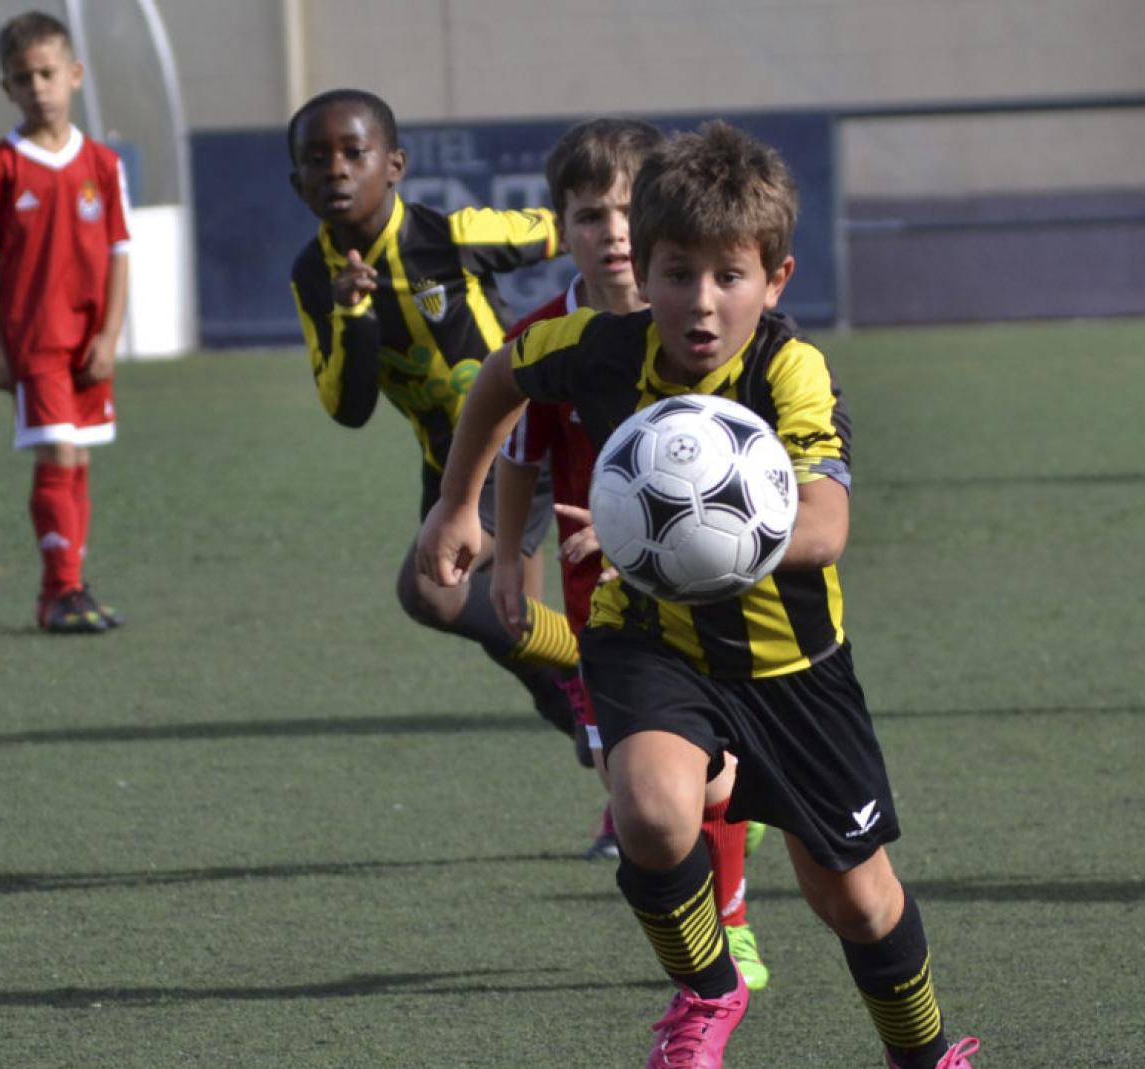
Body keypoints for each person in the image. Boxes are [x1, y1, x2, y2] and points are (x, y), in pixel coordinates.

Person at [419, 121, 978, 1069]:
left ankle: (925, 1057)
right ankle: (709, 992)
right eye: (678, 273)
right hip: (651, 640)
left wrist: (671, 539)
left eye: (730, 276)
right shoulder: (603, 349)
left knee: (856, 899)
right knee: (649, 808)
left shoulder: (790, 372)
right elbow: (504, 374)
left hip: (791, 668)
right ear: (650, 268)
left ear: (777, 279)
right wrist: (456, 504)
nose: (702, 303)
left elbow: (826, 528)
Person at [487, 117, 772, 993]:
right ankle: (721, 821)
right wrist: (506, 557)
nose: (610, 233)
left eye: (624, 212)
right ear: (558, 226)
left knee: (700, 780)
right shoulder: (550, 337)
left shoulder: (697, 325)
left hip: (711, 594)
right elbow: (521, 451)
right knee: (642, 778)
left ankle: (729, 921)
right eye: (587, 215)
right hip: (595, 602)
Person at [286, 88, 582, 735]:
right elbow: (348, 407)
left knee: (433, 589)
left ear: (394, 164)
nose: (335, 168)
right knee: (519, 631)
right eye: (315, 158)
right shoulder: (314, 275)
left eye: (353, 152)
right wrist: (353, 314)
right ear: (296, 181)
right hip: (449, 466)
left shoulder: (451, 236)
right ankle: (606, 733)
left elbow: (571, 230)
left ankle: (595, 674)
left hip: (520, 441)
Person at [0, 10, 129, 634]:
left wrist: (110, 335)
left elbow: (119, 253)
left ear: (75, 75)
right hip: (33, 339)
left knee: (79, 459)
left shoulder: (105, 166)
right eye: (22, 78)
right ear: (7, 88)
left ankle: (71, 588)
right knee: (58, 449)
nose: (38, 88)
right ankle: (58, 592)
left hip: (89, 340)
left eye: (47, 73)